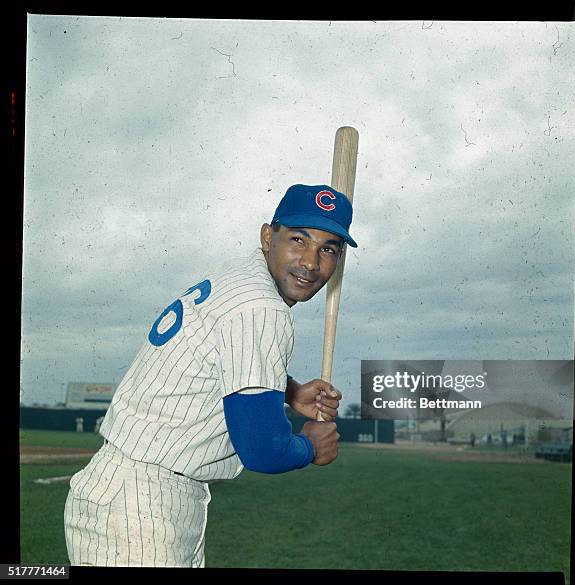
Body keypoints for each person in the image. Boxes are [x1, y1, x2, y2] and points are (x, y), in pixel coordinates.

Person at [63, 184, 357, 567]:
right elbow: (262, 449)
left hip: (138, 492)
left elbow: (217, 355)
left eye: (328, 248)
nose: (310, 262)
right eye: (298, 239)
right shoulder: (261, 309)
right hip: (141, 507)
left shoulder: (239, 274)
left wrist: (291, 391)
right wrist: (310, 446)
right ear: (268, 236)